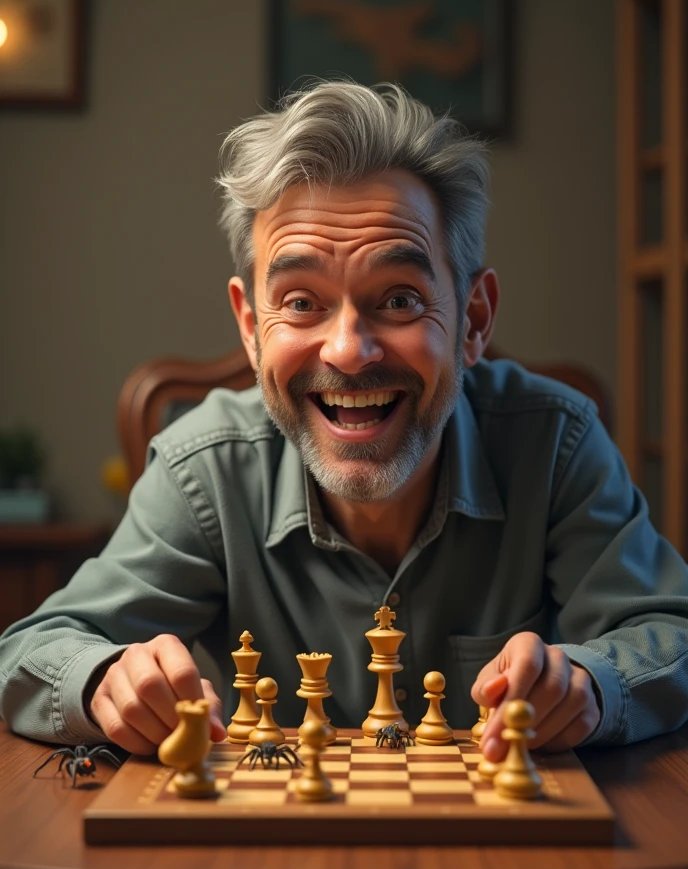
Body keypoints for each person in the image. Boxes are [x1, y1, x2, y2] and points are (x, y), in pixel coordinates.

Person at [2, 82, 688, 767]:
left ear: (473, 320)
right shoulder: (202, 472)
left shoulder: (556, 445)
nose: (347, 351)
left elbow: (670, 631)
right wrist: (103, 682)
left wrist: (594, 686)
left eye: (398, 299)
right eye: (301, 303)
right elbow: (32, 651)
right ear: (250, 327)